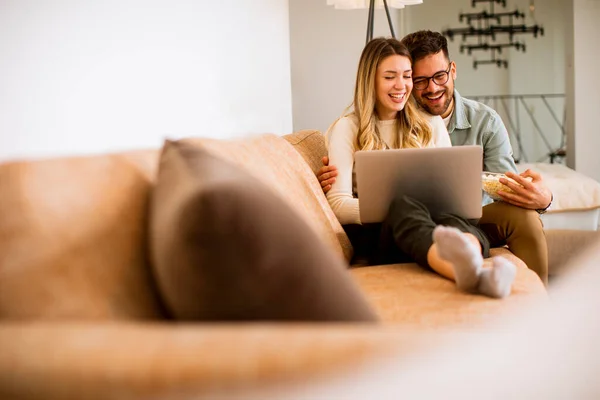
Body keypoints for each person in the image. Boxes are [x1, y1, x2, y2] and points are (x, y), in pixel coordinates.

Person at [319, 31, 551, 285]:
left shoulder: (430, 124)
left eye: (406, 76)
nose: (401, 85)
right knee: (403, 205)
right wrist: (388, 207)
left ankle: (477, 266)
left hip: (441, 220)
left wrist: (543, 198)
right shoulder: (347, 128)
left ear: (452, 71)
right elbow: (338, 205)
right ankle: (471, 275)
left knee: (451, 218)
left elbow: (452, 196)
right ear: (369, 81)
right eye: (390, 77)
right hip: (386, 233)